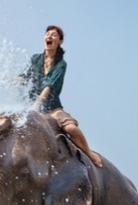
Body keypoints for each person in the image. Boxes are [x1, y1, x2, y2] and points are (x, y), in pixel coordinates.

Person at [17, 25, 103, 167]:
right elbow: (26, 77)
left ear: (60, 41)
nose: (49, 36)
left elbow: (49, 86)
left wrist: (36, 105)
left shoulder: (61, 64)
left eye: (54, 35)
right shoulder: (35, 59)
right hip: (32, 106)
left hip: (52, 109)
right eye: (47, 34)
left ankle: (90, 153)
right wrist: (11, 79)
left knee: (71, 129)